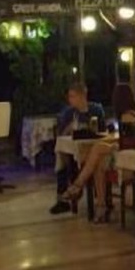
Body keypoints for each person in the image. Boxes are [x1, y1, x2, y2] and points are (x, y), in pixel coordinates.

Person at [59, 83, 135, 222]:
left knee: (98, 149)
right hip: (129, 153)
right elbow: (124, 140)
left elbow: (127, 144)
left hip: (131, 159)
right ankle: (100, 205)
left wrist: (110, 146)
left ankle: (79, 186)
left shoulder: (127, 117)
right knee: (98, 161)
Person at [50, 83, 106, 215]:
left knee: (98, 158)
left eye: (73, 96)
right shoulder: (68, 113)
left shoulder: (96, 110)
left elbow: (103, 131)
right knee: (63, 157)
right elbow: (61, 135)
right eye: (69, 96)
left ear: (82, 96)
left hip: (94, 147)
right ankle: (63, 199)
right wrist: (69, 129)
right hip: (75, 150)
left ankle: (95, 196)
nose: (70, 99)